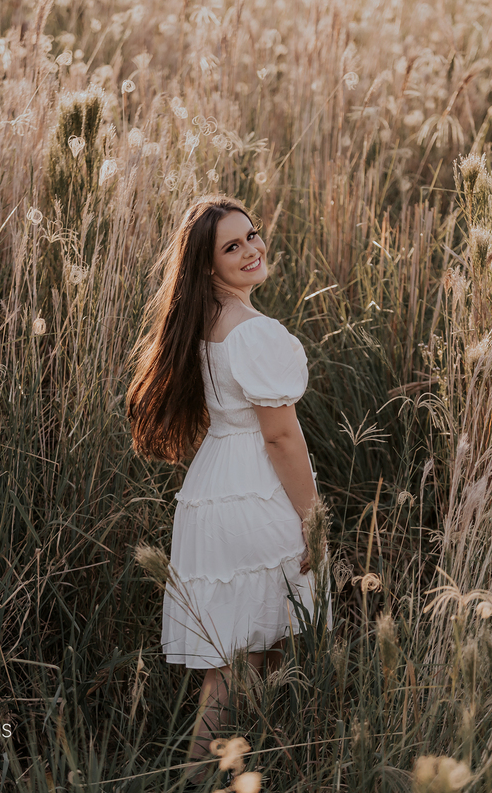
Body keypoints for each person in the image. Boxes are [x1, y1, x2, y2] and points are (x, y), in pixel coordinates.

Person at [126, 195, 332, 784]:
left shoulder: (203, 324)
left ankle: (236, 769)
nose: (251, 250)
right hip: (256, 493)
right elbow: (281, 438)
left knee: (247, 654)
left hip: (213, 487)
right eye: (232, 247)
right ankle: (199, 778)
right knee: (244, 661)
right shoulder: (254, 332)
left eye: (252, 235)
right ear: (208, 263)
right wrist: (312, 518)